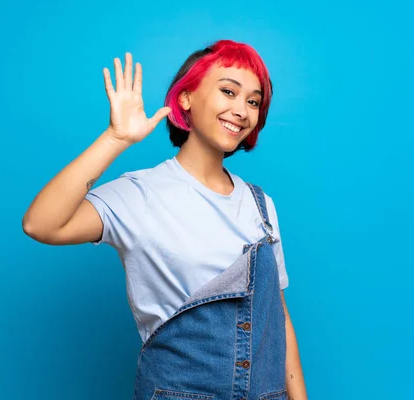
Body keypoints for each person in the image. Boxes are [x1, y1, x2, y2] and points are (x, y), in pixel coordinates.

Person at [22, 39, 307, 400]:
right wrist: (116, 139)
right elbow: (41, 224)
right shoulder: (140, 193)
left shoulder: (260, 204)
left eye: (253, 101)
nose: (242, 110)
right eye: (228, 92)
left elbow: (277, 321)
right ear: (185, 98)